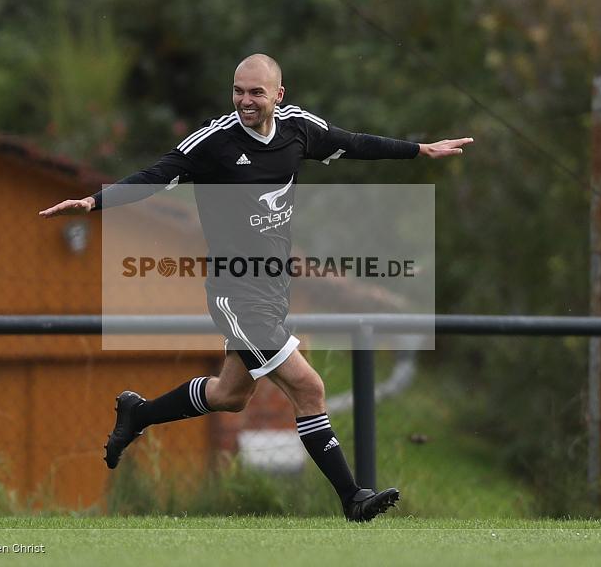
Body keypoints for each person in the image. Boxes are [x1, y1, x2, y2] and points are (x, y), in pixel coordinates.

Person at [40, 54, 472, 521]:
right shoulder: (215, 141)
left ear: (278, 95)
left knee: (231, 395)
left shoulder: (298, 129)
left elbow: (353, 142)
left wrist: (419, 150)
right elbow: (156, 174)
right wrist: (93, 201)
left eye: (256, 93)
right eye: (238, 91)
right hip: (236, 292)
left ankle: (137, 415)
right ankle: (352, 498)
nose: (245, 101)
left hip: (272, 287)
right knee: (309, 388)